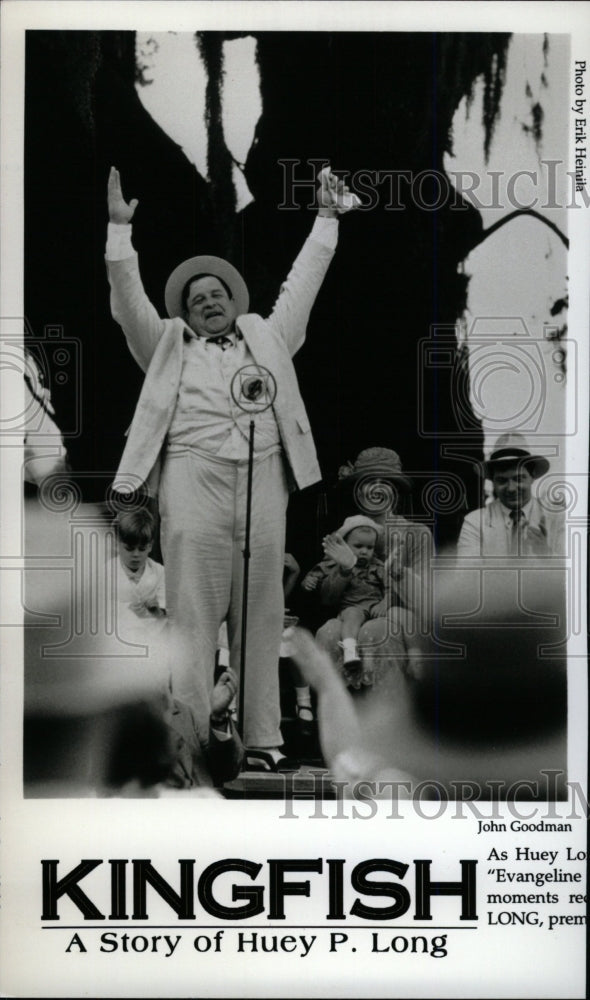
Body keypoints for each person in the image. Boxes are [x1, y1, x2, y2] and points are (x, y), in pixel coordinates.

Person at [106, 164, 358, 767]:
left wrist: (326, 218)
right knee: (193, 615)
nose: (210, 303)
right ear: (186, 314)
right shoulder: (164, 345)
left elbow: (302, 286)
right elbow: (128, 304)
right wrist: (120, 232)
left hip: (265, 476)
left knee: (262, 613)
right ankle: (192, 741)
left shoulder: (270, 337)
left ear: (233, 302)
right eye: (198, 300)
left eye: (217, 295)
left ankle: (264, 741)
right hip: (194, 478)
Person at [314, 447, 432, 692]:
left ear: (396, 490)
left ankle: (384, 721)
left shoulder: (416, 533)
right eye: (369, 482)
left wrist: (399, 574)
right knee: (328, 632)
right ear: (357, 489)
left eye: (385, 482)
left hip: (399, 623)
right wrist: (345, 570)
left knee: (376, 632)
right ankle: (337, 722)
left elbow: (426, 603)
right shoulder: (345, 534)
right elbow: (327, 600)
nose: (376, 488)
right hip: (351, 619)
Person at [303, 515, 400, 687]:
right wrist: (308, 580)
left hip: (373, 609)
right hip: (349, 609)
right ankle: (348, 655)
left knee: (365, 622)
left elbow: (390, 587)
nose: (364, 551)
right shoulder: (334, 564)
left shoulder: (377, 566)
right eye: (358, 546)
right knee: (350, 615)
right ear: (344, 546)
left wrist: (385, 602)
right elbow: (317, 575)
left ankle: (358, 661)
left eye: (369, 547)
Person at [457, 432, 565, 557]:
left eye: (518, 479)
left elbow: (576, 571)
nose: (511, 488)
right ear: (493, 481)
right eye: (502, 481)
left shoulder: (557, 519)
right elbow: (467, 575)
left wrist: (547, 555)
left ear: (532, 476)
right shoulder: (475, 522)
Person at [113, 508, 167, 643]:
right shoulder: (106, 572)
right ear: (116, 544)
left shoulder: (159, 572)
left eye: (142, 549)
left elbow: (164, 611)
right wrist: (126, 609)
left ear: (150, 546)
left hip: (153, 638)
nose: (136, 554)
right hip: (118, 639)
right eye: (129, 549)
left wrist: (157, 610)